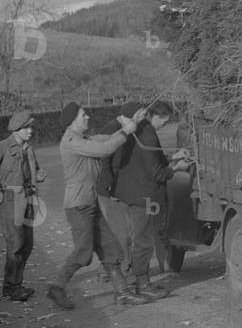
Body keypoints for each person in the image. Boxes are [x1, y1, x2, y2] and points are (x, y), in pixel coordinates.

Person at [47, 103, 140, 309]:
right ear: (73, 121)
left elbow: (106, 139)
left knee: (110, 249)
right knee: (84, 251)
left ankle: (123, 294)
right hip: (79, 205)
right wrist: (126, 131)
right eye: (83, 115)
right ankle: (56, 287)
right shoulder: (72, 141)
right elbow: (104, 149)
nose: (88, 117)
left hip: (89, 203)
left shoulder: (83, 139)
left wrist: (130, 123)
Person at [113, 101, 190, 300]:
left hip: (131, 192)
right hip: (145, 196)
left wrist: (173, 156)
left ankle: (139, 279)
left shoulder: (139, 130)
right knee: (144, 240)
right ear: (153, 116)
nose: (165, 124)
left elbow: (152, 160)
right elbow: (156, 173)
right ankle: (143, 283)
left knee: (138, 237)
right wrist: (176, 168)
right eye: (164, 120)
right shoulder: (148, 134)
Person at [94, 103, 151, 303]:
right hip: (109, 190)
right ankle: (116, 274)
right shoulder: (113, 129)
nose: (143, 119)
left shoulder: (125, 128)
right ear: (132, 115)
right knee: (120, 231)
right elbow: (106, 161)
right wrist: (110, 188)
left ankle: (109, 271)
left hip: (116, 187)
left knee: (123, 230)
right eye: (141, 115)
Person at [0, 111, 47, 301]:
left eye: (31, 127)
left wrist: (39, 175)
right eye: (27, 128)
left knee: (27, 244)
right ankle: (11, 286)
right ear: (16, 129)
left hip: (28, 198)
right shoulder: (4, 146)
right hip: (11, 199)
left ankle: (15, 284)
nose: (30, 131)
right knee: (16, 243)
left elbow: (35, 170)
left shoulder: (28, 148)